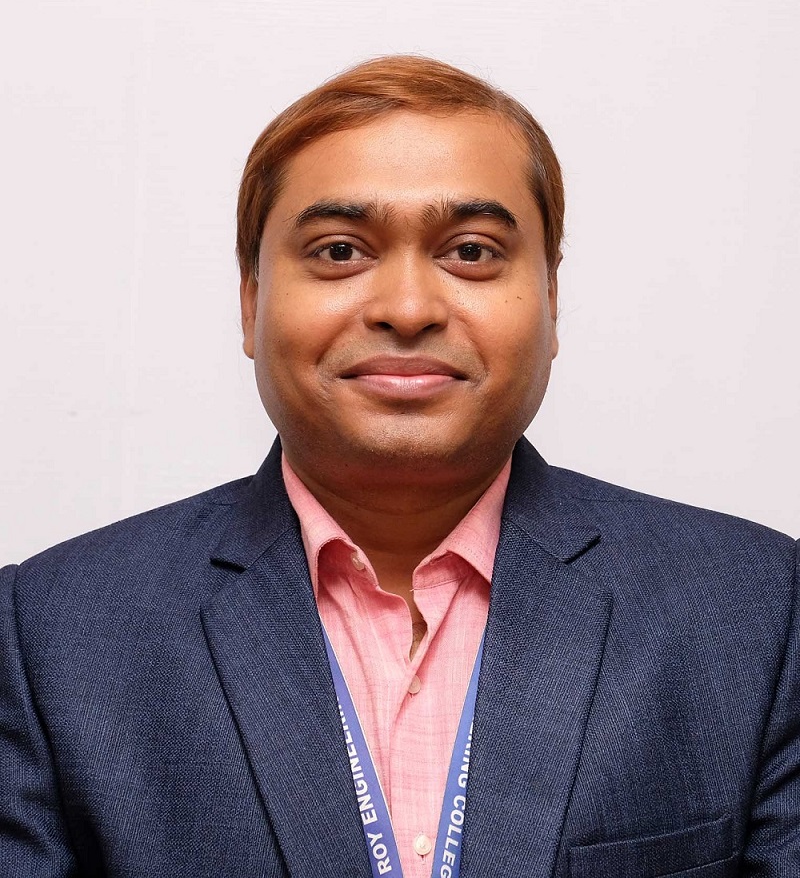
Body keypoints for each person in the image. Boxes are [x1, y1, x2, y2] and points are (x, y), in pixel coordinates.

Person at [1, 55, 797, 878]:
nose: (409, 309)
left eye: (472, 251)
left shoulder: (758, 612)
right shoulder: (52, 636)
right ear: (251, 301)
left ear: (552, 300)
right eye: (340, 250)